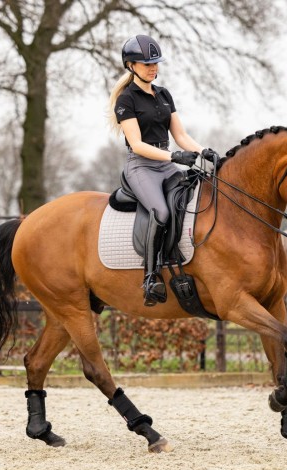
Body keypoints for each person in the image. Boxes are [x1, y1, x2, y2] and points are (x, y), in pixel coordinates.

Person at [108, 34, 219, 307]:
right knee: (161, 211)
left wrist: (204, 150)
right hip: (141, 166)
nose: (153, 68)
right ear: (131, 65)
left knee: (191, 200)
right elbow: (137, 144)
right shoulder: (126, 100)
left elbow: (180, 134)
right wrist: (174, 155)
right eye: (146, 64)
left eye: (155, 63)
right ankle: (151, 276)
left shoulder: (163, 94)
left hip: (166, 165)